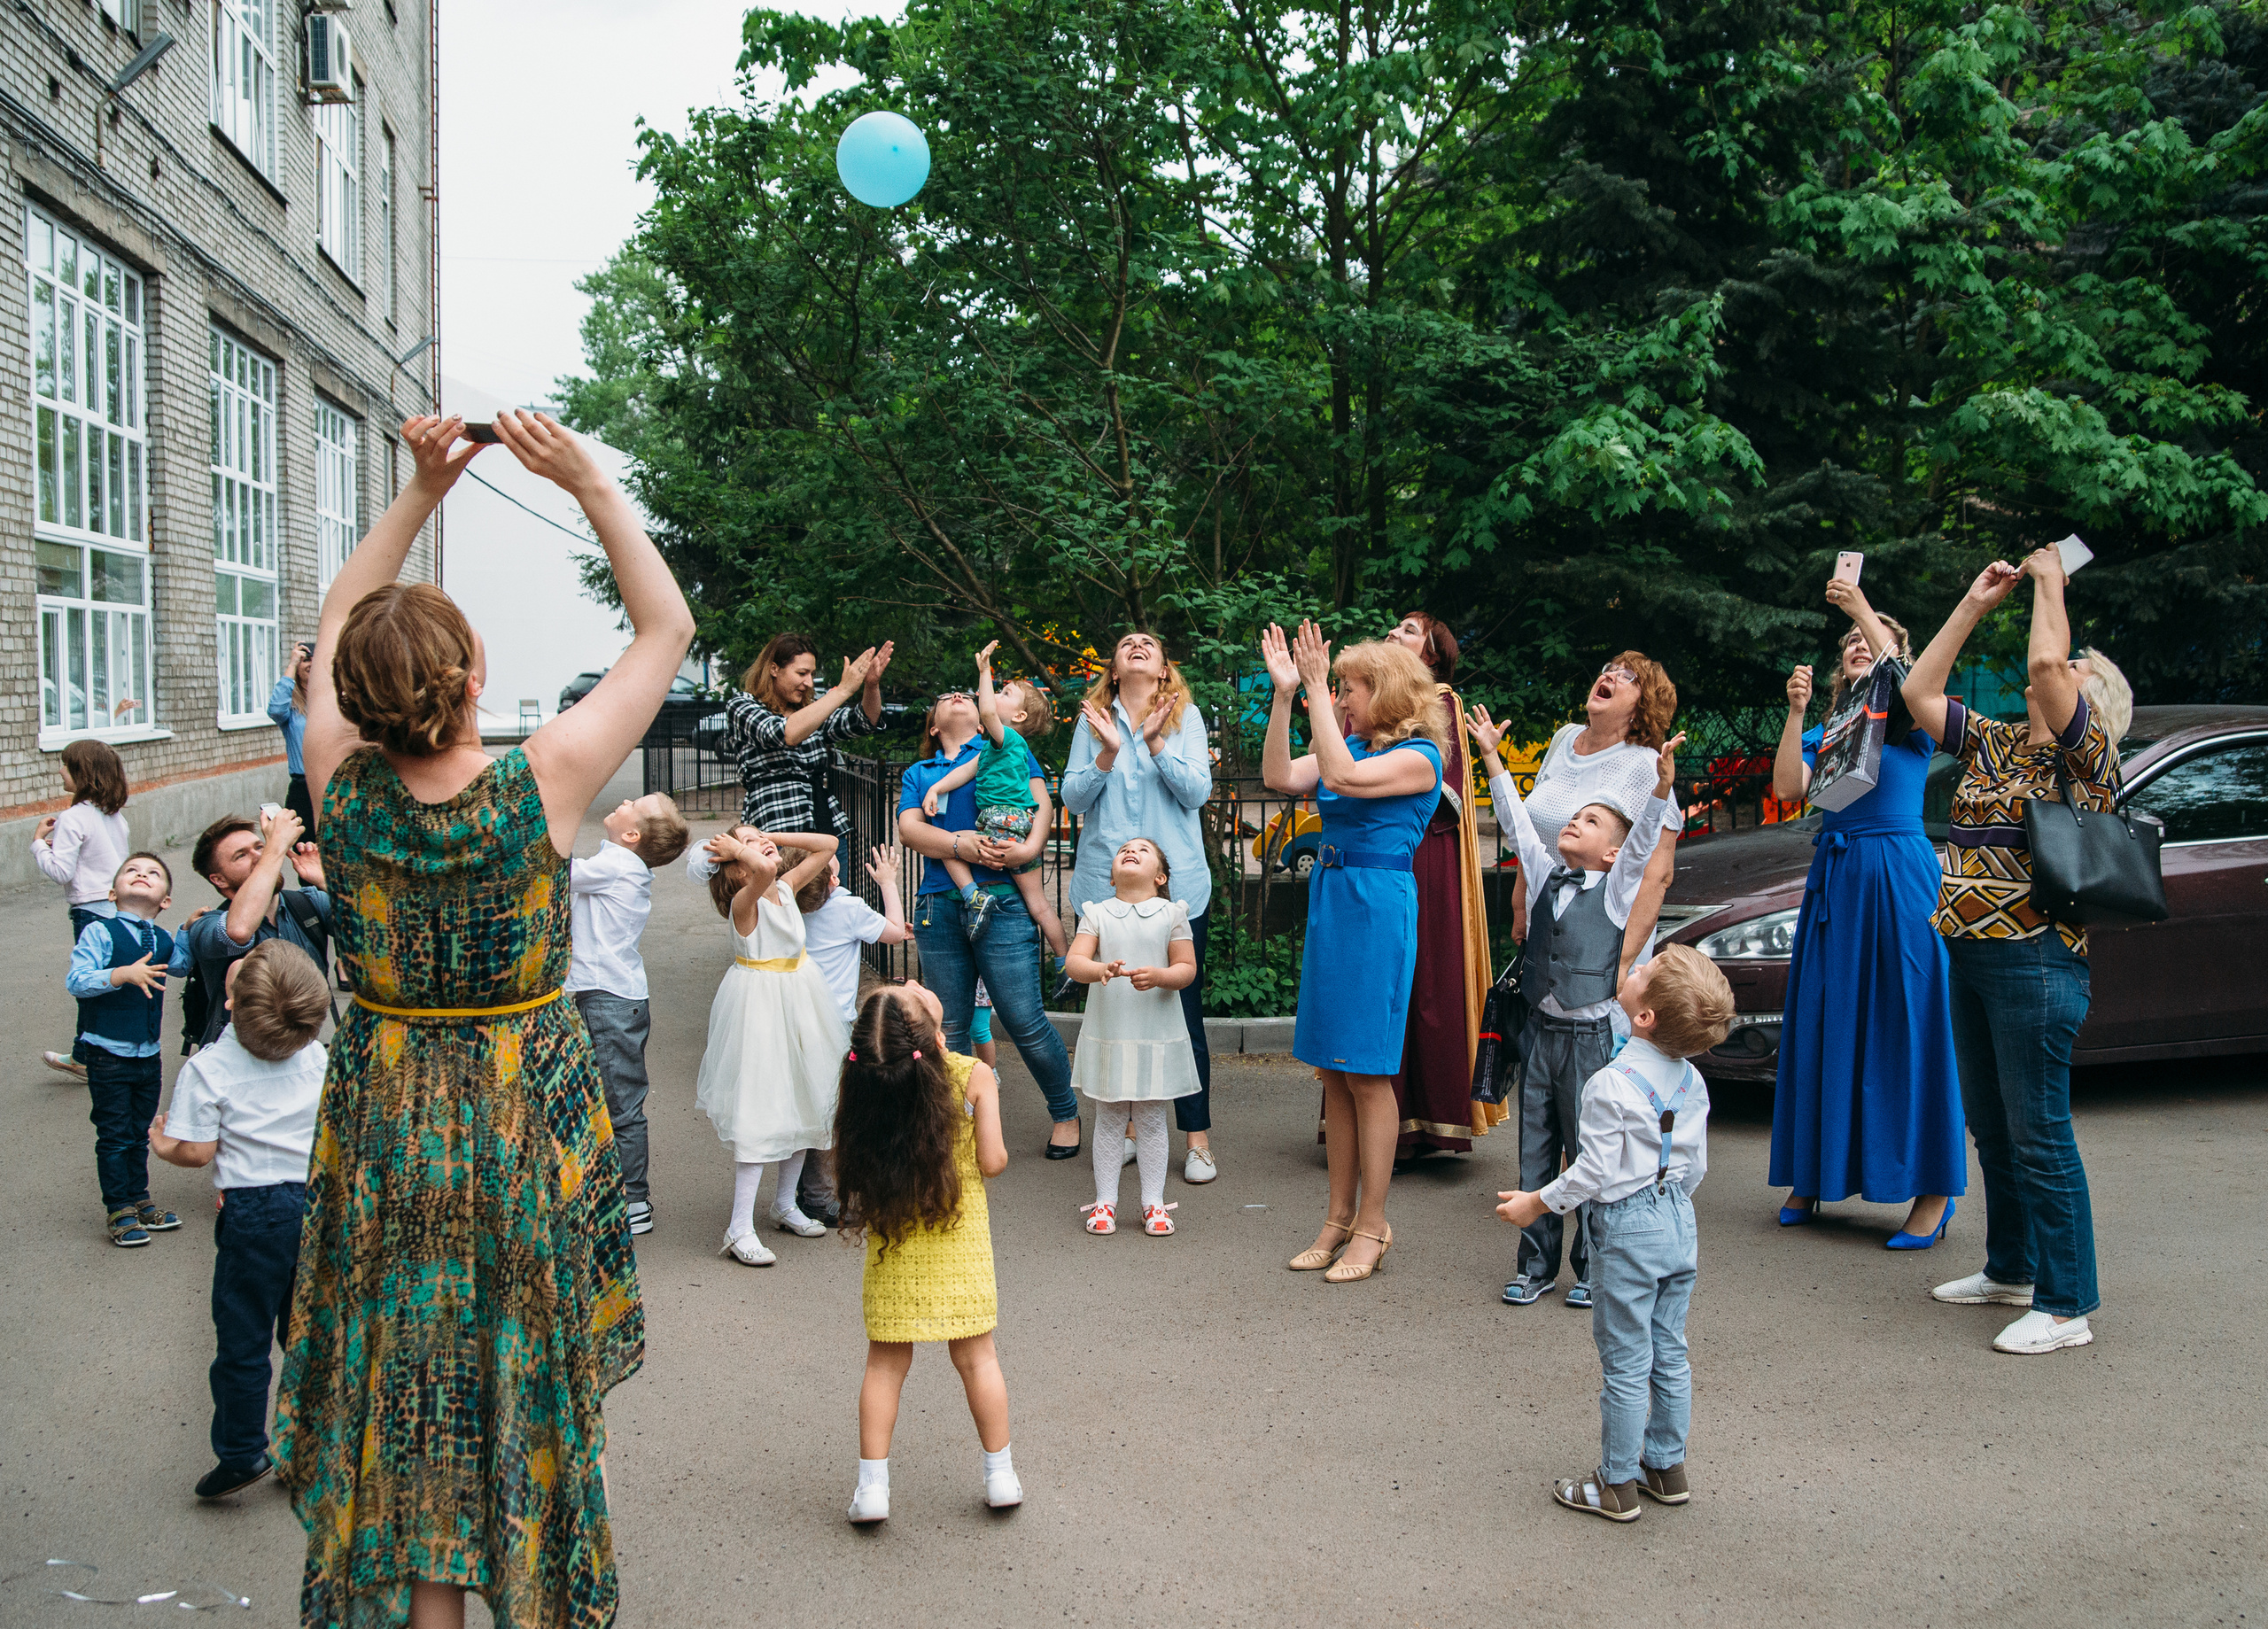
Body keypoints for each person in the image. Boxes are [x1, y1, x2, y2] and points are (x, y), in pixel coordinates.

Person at [276, 409, 694, 1629]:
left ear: (351, 688)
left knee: (408, 1382)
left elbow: (329, 640)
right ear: (471, 681)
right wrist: (589, 484)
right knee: (509, 1370)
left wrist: (415, 494)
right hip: (520, 1119)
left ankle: (429, 1604)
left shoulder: (336, 785)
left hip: (388, 1120)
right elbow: (665, 626)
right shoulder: (544, 780)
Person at [1901, 547, 2129, 1357]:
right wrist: (1972, 601)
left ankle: (2068, 1305)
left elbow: (2042, 656)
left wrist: (2047, 579)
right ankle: (2012, 1268)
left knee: (2041, 1133)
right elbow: (1917, 691)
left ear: (2085, 698)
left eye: (2067, 669)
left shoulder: (2085, 761)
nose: (2048, 668)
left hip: (2036, 959)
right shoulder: (1998, 745)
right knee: (1993, 1127)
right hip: (1968, 954)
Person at [1494, 945, 1736, 1524]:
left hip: (1629, 1227)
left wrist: (1538, 1201)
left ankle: (1616, 1482)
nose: (1635, 966)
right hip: (1679, 1218)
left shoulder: (1609, 1084)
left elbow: (1593, 1171)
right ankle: (1666, 1465)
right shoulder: (1692, 1081)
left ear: (1645, 1016)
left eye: (1645, 971)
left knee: (1626, 1362)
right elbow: (1696, 1163)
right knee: (1669, 1351)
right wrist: (1669, 1201)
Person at [1768, 578, 1964, 1245]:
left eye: (1871, 637)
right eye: (1850, 638)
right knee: (1828, 1017)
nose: (1858, 641)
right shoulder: (1836, 726)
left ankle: (1934, 1191)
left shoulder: (1911, 717)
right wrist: (1796, 713)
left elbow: (1908, 683)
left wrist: (1857, 606)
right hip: (1839, 877)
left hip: (1896, 874)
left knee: (1907, 1021)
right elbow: (1790, 788)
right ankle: (1816, 1171)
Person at [1467, 704, 1681, 1310]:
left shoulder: (1615, 891)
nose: (1575, 825)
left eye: (1590, 821)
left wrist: (1662, 787)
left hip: (1590, 1039)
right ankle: (1535, 1263)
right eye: (1575, 817)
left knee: (1592, 1153)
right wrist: (1489, 756)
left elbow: (1643, 845)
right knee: (1534, 1147)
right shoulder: (1544, 872)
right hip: (1541, 1033)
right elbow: (1515, 821)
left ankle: (1592, 1264)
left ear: (1611, 853)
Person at [1263, 623, 1445, 1284]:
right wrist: (1289, 695)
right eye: (1337, 685)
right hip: (1335, 899)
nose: (1340, 695)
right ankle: (1336, 1219)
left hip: (1376, 905)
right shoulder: (1357, 742)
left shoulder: (1422, 755)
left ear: (1388, 691)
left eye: (1349, 686)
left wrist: (1313, 688)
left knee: (1367, 1072)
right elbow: (1281, 774)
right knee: (1334, 1073)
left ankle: (1373, 1224)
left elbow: (1338, 773)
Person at [147, 942, 330, 1501]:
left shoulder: (208, 1068)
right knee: (307, 1336)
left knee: (243, 1340)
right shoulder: (317, 1057)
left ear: (229, 1002)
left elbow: (197, 1153)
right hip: (316, 1207)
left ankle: (242, 1449)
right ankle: (309, 1448)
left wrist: (162, 1145)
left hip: (253, 1215)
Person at [834, 980, 1020, 1524]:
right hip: (960, 1246)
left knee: (886, 1364)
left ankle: (872, 1488)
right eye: (911, 988)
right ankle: (1000, 1474)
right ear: (937, 1036)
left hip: (894, 1248)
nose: (912, 982)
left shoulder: (865, 1084)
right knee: (978, 1358)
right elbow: (993, 1162)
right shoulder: (972, 1076)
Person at [1061, 630, 1219, 1181]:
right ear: (1113, 665)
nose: (1136, 644)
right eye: (1126, 641)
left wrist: (1152, 743)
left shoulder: (1187, 719)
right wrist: (1108, 750)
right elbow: (1073, 798)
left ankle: (1196, 1139)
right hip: (1105, 888)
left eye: (1149, 643)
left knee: (1182, 1011)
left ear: (1162, 669)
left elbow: (1197, 792)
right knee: (1115, 1009)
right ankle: (1127, 1129)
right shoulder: (1093, 719)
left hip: (1176, 889)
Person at [898, 691, 1078, 1155]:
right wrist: (962, 847)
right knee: (950, 1026)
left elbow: (1043, 806)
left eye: (964, 694)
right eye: (943, 698)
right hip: (939, 907)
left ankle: (1065, 1114)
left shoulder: (1004, 746)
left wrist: (1030, 849)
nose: (957, 696)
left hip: (1005, 904)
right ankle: (957, 1124)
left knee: (1025, 1021)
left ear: (982, 721)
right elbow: (911, 830)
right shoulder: (921, 773)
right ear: (933, 727)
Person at [1377, 611, 1500, 1156]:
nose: (1393, 634)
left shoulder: (1439, 699)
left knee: (1421, 980)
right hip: (1382, 845)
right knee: (1386, 982)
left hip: (1421, 848)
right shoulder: (1379, 700)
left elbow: (1444, 794)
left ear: (1431, 654)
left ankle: (1419, 1125)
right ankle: (1378, 1121)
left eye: (1408, 630)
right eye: (1394, 627)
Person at [695, 826, 848, 1260]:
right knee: (760, 1110)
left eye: (762, 837)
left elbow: (828, 846)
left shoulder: (783, 885)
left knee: (805, 1098)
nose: (764, 845)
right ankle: (739, 1227)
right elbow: (763, 866)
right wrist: (745, 848)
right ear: (736, 872)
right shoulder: (746, 902)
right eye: (748, 842)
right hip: (761, 1008)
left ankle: (785, 1203)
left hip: (801, 999)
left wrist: (769, 835)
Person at [565, 792, 690, 1240]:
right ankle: (619, 1192)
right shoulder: (619, 863)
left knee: (620, 1104)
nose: (624, 798)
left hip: (608, 1001)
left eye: (634, 802)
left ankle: (633, 1200)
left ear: (632, 835)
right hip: (611, 997)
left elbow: (558, 873)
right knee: (615, 1100)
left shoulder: (617, 865)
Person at [1516, 652, 1687, 980]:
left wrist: (1620, 961)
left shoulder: (1647, 766)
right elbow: (1532, 831)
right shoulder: (1563, 738)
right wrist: (1518, 907)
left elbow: (1658, 875)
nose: (1609, 675)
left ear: (1643, 706)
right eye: (1610, 669)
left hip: (1600, 940)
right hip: (1541, 924)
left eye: (1627, 677)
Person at [1066, 838, 1200, 1237]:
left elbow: (1187, 968)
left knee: (1151, 1119)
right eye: (1125, 848)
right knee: (1108, 1117)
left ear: (1160, 877)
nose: (1130, 851)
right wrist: (1099, 969)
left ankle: (1153, 1203)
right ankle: (1105, 1201)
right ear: (1111, 875)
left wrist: (1160, 976)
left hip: (1154, 1032)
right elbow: (1075, 962)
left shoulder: (1173, 913)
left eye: (1143, 850)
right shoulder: (1097, 913)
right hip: (1112, 1031)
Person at [64, 851, 192, 1247]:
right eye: (131, 870)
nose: (141, 875)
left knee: (139, 1131)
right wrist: (122, 974)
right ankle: (119, 1207)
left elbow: (182, 965)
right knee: (116, 1133)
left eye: (153, 873)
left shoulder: (163, 937)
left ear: (165, 900)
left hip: (148, 1054)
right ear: (112, 892)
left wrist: (188, 931)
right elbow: (78, 981)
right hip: (107, 1053)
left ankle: (140, 1198)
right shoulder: (100, 932)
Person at [920, 642, 1068, 957]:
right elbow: (963, 771)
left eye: (1006, 694)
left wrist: (985, 670)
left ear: (1019, 715)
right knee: (1038, 903)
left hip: (1002, 819)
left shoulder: (1007, 739)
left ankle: (973, 895)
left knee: (948, 842)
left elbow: (987, 712)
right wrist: (936, 788)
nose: (996, 696)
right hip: (1017, 824)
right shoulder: (993, 749)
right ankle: (1065, 961)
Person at [721, 631, 894, 843]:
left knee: (835, 879)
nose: (809, 683)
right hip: (774, 825)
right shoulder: (742, 704)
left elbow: (864, 720)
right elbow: (784, 734)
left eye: (812, 674)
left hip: (824, 823)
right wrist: (841, 691)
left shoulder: (811, 712)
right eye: (802, 673)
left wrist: (871, 686)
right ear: (774, 669)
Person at [183, 810, 334, 1051]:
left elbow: (376, 930)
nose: (257, 857)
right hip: (238, 1062)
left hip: (301, 1054)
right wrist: (274, 849)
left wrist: (327, 881)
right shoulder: (205, 926)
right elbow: (239, 931)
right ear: (219, 880)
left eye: (260, 847)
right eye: (241, 855)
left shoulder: (308, 903)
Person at [34, 736, 132, 1077]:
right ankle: (106, 1051)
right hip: (115, 908)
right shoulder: (113, 816)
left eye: (65, 763)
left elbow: (61, 870)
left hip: (89, 911)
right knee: (109, 980)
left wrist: (37, 845)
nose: (60, 770)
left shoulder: (74, 817)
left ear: (83, 772)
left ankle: (84, 1057)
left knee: (88, 983)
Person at [268, 640, 316, 832]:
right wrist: (292, 663)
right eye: (305, 660)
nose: (310, 663)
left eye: (315, 659)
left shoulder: (333, 700)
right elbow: (275, 709)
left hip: (334, 785)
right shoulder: (292, 708)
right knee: (304, 847)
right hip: (302, 788)